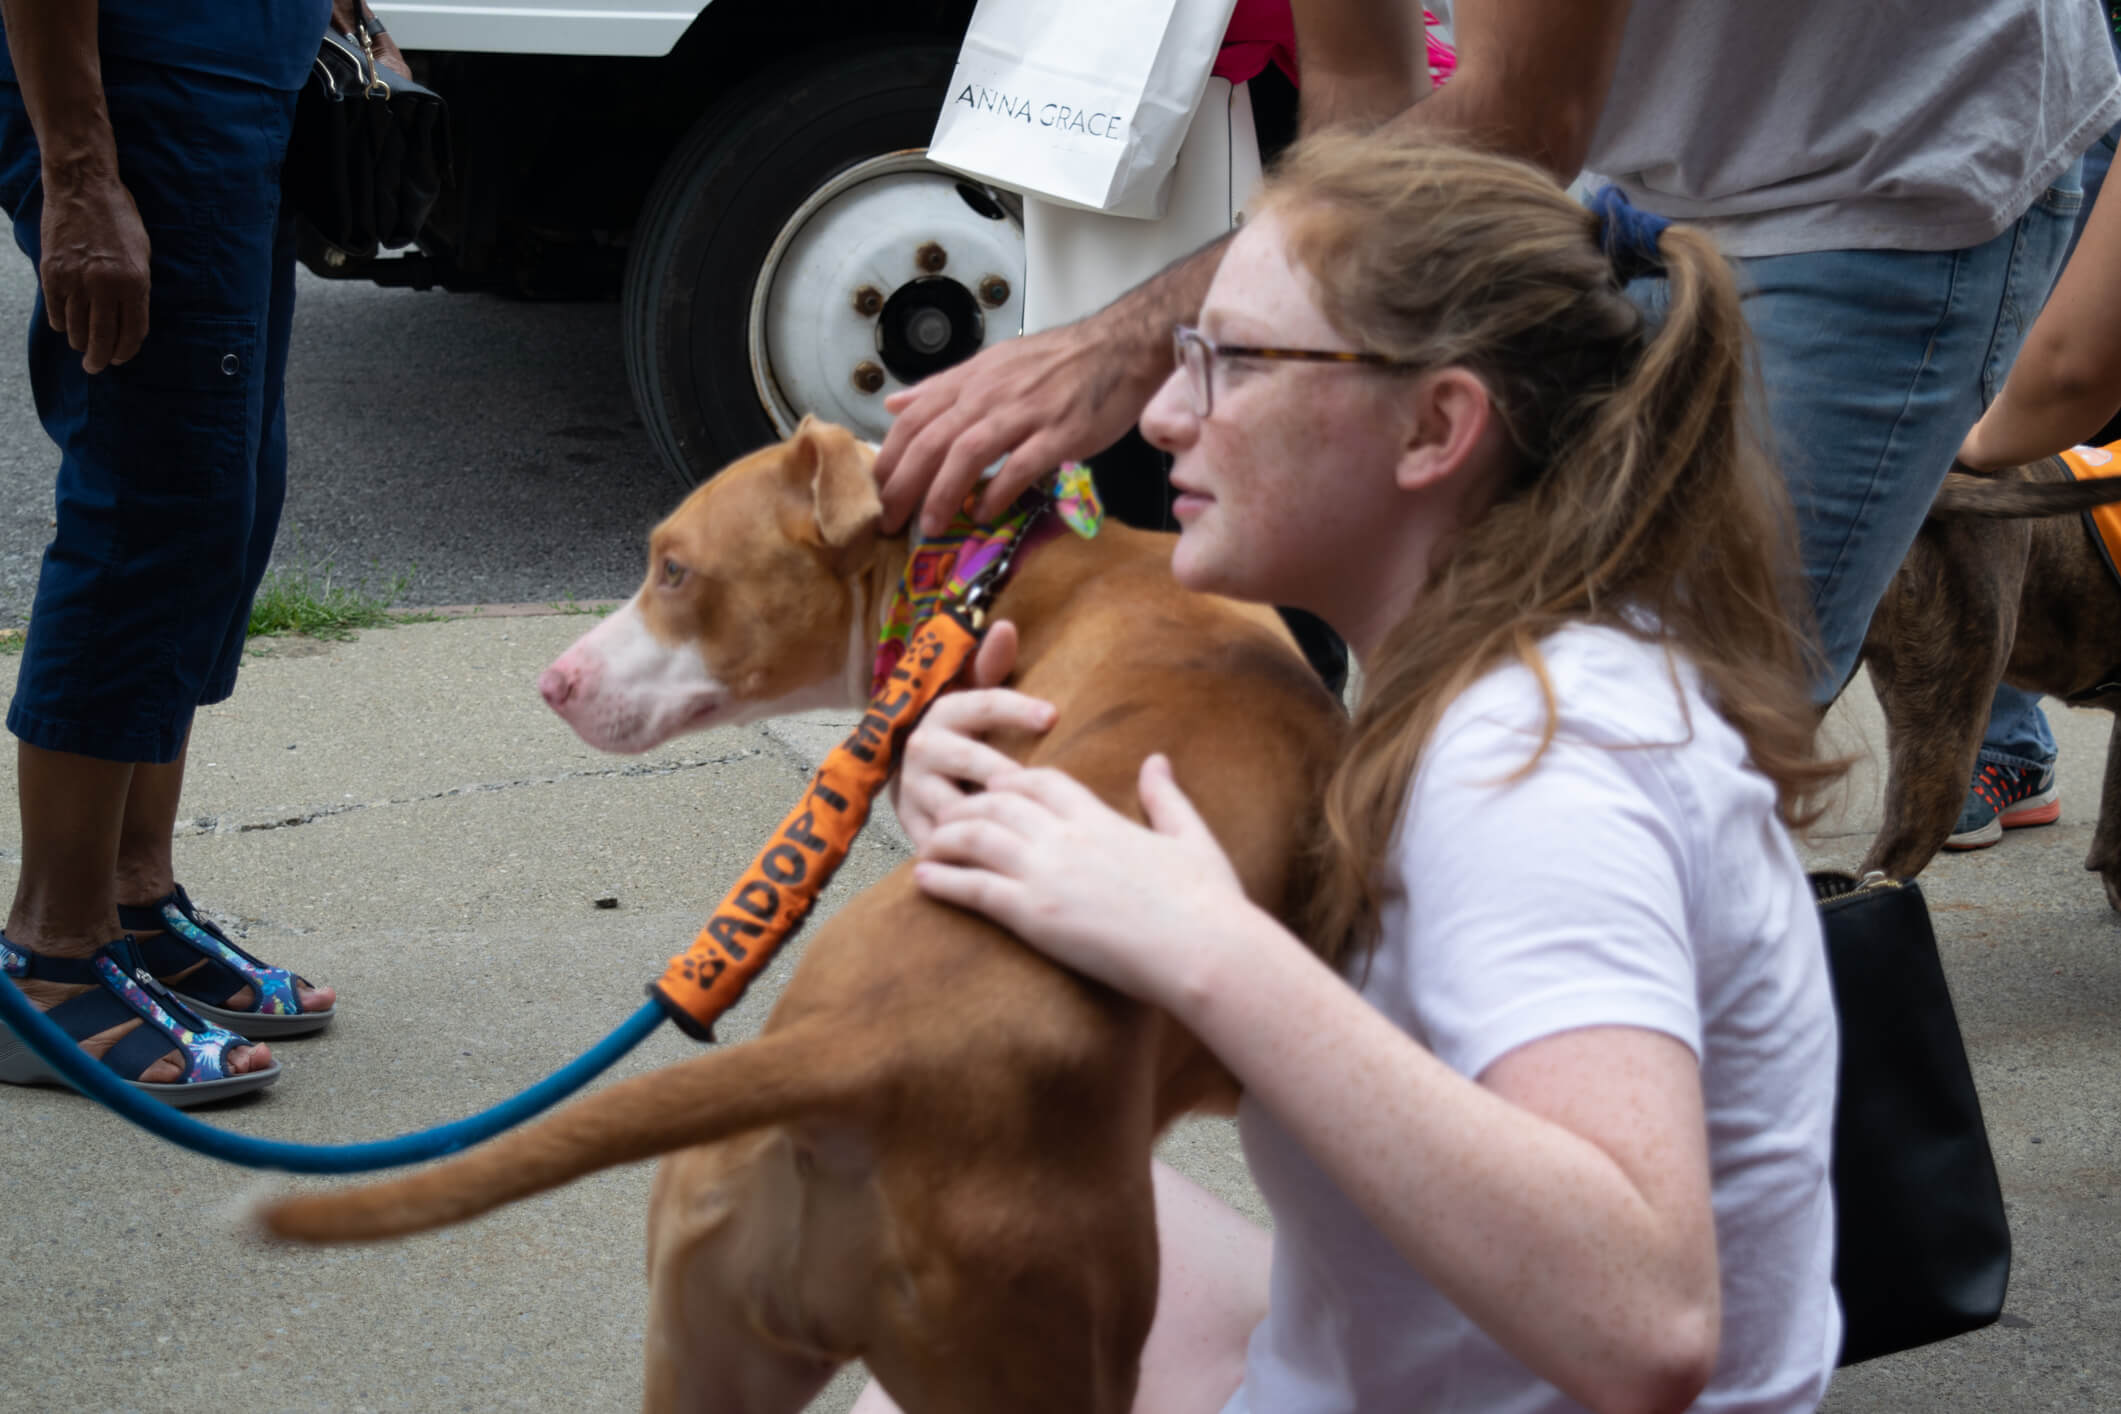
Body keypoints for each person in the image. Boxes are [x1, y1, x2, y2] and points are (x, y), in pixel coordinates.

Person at [861, 130, 1844, 1414]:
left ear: (1437, 424)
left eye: (1234, 362)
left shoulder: (1537, 764)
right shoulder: (1502, 672)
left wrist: (1209, 946)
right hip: (1392, 1354)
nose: (1162, 413)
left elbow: (1645, 1320)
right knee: (951, 1173)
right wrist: (1013, 831)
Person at [872, 0, 2119, 827]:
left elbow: (1520, 118)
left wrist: (1129, 341)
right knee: (1484, 739)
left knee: (1652, 767)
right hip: (1630, 162)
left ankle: (1766, 1181)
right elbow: (1362, 100)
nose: (1167, 426)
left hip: (1881, 166)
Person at [0, 0, 403, 1100]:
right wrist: (80, 174)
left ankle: (131, 894)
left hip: (234, 80)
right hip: (134, 86)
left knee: (226, 490)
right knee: (153, 493)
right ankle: (50, 959)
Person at [1947, 12, 2121, 851]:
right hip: (2060, 64)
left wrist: (1972, 453)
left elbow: (2074, 372)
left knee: (2022, 420)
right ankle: (2004, 746)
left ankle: (2003, 745)